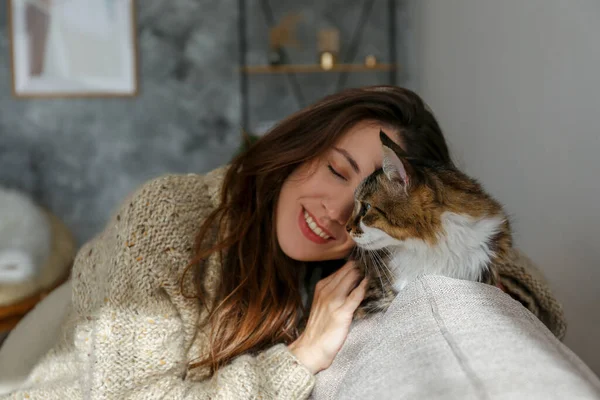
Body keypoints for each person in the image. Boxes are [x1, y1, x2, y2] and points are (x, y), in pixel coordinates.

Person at [1, 86, 567, 399]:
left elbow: (528, 285)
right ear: (301, 147)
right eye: (336, 170)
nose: (340, 214)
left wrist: (492, 280)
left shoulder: (367, 250)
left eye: (370, 202)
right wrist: (297, 360)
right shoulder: (166, 219)